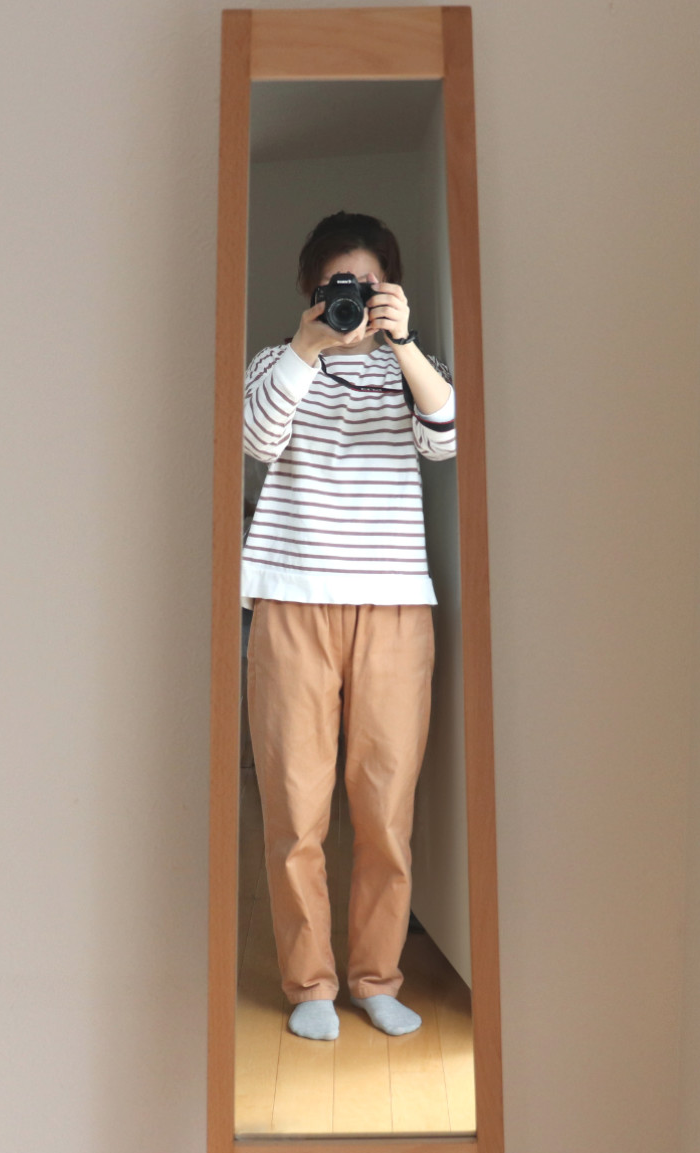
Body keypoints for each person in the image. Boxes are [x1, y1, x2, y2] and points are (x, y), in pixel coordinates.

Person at [242, 211, 456, 1041]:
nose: (354, 299)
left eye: (369, 285)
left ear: (390, 289)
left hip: (395, 604)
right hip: (292, 599)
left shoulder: (411, 368)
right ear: (311, 289)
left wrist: (403, 344)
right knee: (296, 808)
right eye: (341, 285)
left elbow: (447, 439)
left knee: (385, 807)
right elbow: (257, 439)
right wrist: (306, 347)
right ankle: (310, 985)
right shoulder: (278, 363)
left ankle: (375, 978)